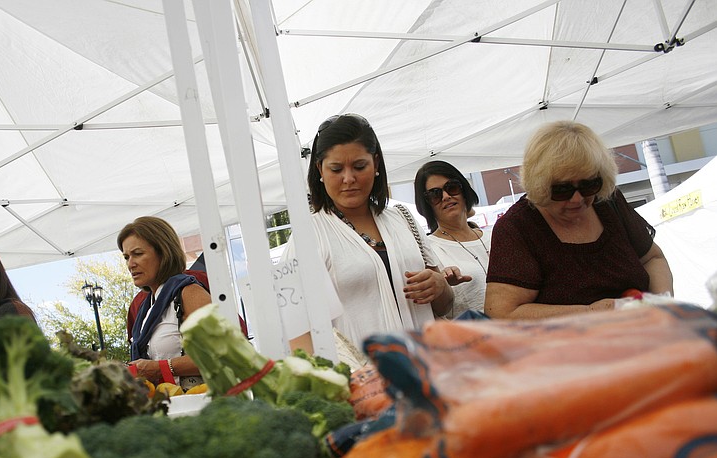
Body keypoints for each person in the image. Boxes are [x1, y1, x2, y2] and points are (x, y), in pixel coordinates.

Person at [283, 113, 453, 350]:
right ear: (320, 170)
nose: (348, 178)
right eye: (336, 169)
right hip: (362, 371)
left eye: (359, 166)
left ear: (376, 164)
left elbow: (445, 305)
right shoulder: (307, 236)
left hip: (429, 363)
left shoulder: (403, 219)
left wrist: (440, 286)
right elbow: (296, 333)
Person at [485, 120, 673, 319]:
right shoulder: (517, 228)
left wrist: (661, 305)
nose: (577, 199)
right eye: (562, 189)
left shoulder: (608, 201)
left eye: (589, 185)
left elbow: (653, 258)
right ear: (539, 185)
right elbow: (500, 312)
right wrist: (590, 313)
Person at [119, 216, 212, 390]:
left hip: (201, 402)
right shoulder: (146, 308)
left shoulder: (190, 293)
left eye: (138, 254)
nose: (130, 264)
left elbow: (217, 355)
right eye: (126, 257)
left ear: (163, 252)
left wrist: (160, 368)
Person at [414, 160, 491, 318]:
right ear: (426, 204)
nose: (446, 196)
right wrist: (441, 286)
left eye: (452, 187)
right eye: (435, 194)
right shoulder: (427, 251)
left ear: (464, 190)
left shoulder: (495, 236)